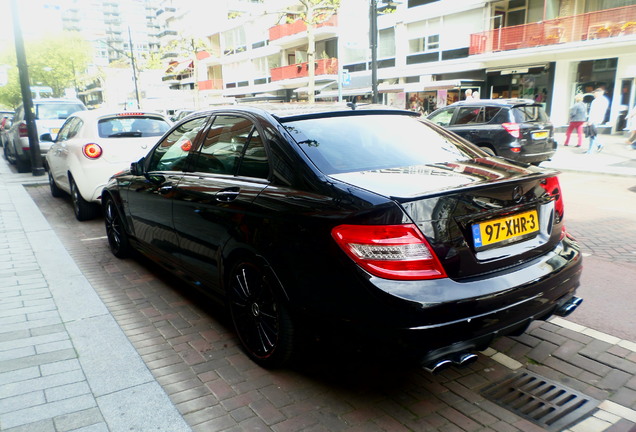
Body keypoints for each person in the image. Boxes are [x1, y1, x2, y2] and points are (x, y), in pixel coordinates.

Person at [586, 88, 609, 154]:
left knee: (592, 135)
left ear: (599, 93)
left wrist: (590, 120)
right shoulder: (605, 100)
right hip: (599, 119)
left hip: (594, 119)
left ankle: (591, 150)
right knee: (593, 134)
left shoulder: (596, 101)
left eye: (594, 93)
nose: (593, 94)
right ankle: (598, 145)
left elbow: (594, 112)